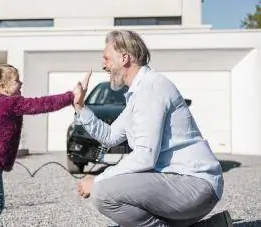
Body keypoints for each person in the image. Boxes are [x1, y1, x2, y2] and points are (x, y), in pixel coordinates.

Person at [73, 30, 233, 227]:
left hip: (194, 185)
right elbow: (110, 136)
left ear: (125, 58)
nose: (103, 65)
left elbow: (144, 157)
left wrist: (97, 180)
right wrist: (80, 107)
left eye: (106, 58)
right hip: (182, 185)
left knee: (103, 192)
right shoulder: (139, 92)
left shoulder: (151, 89)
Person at [0, 63, 90, 227]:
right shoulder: (11, 103)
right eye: (17, 80)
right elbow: (41, 104)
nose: (21, 83)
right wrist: (70, 96)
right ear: (3, 86)